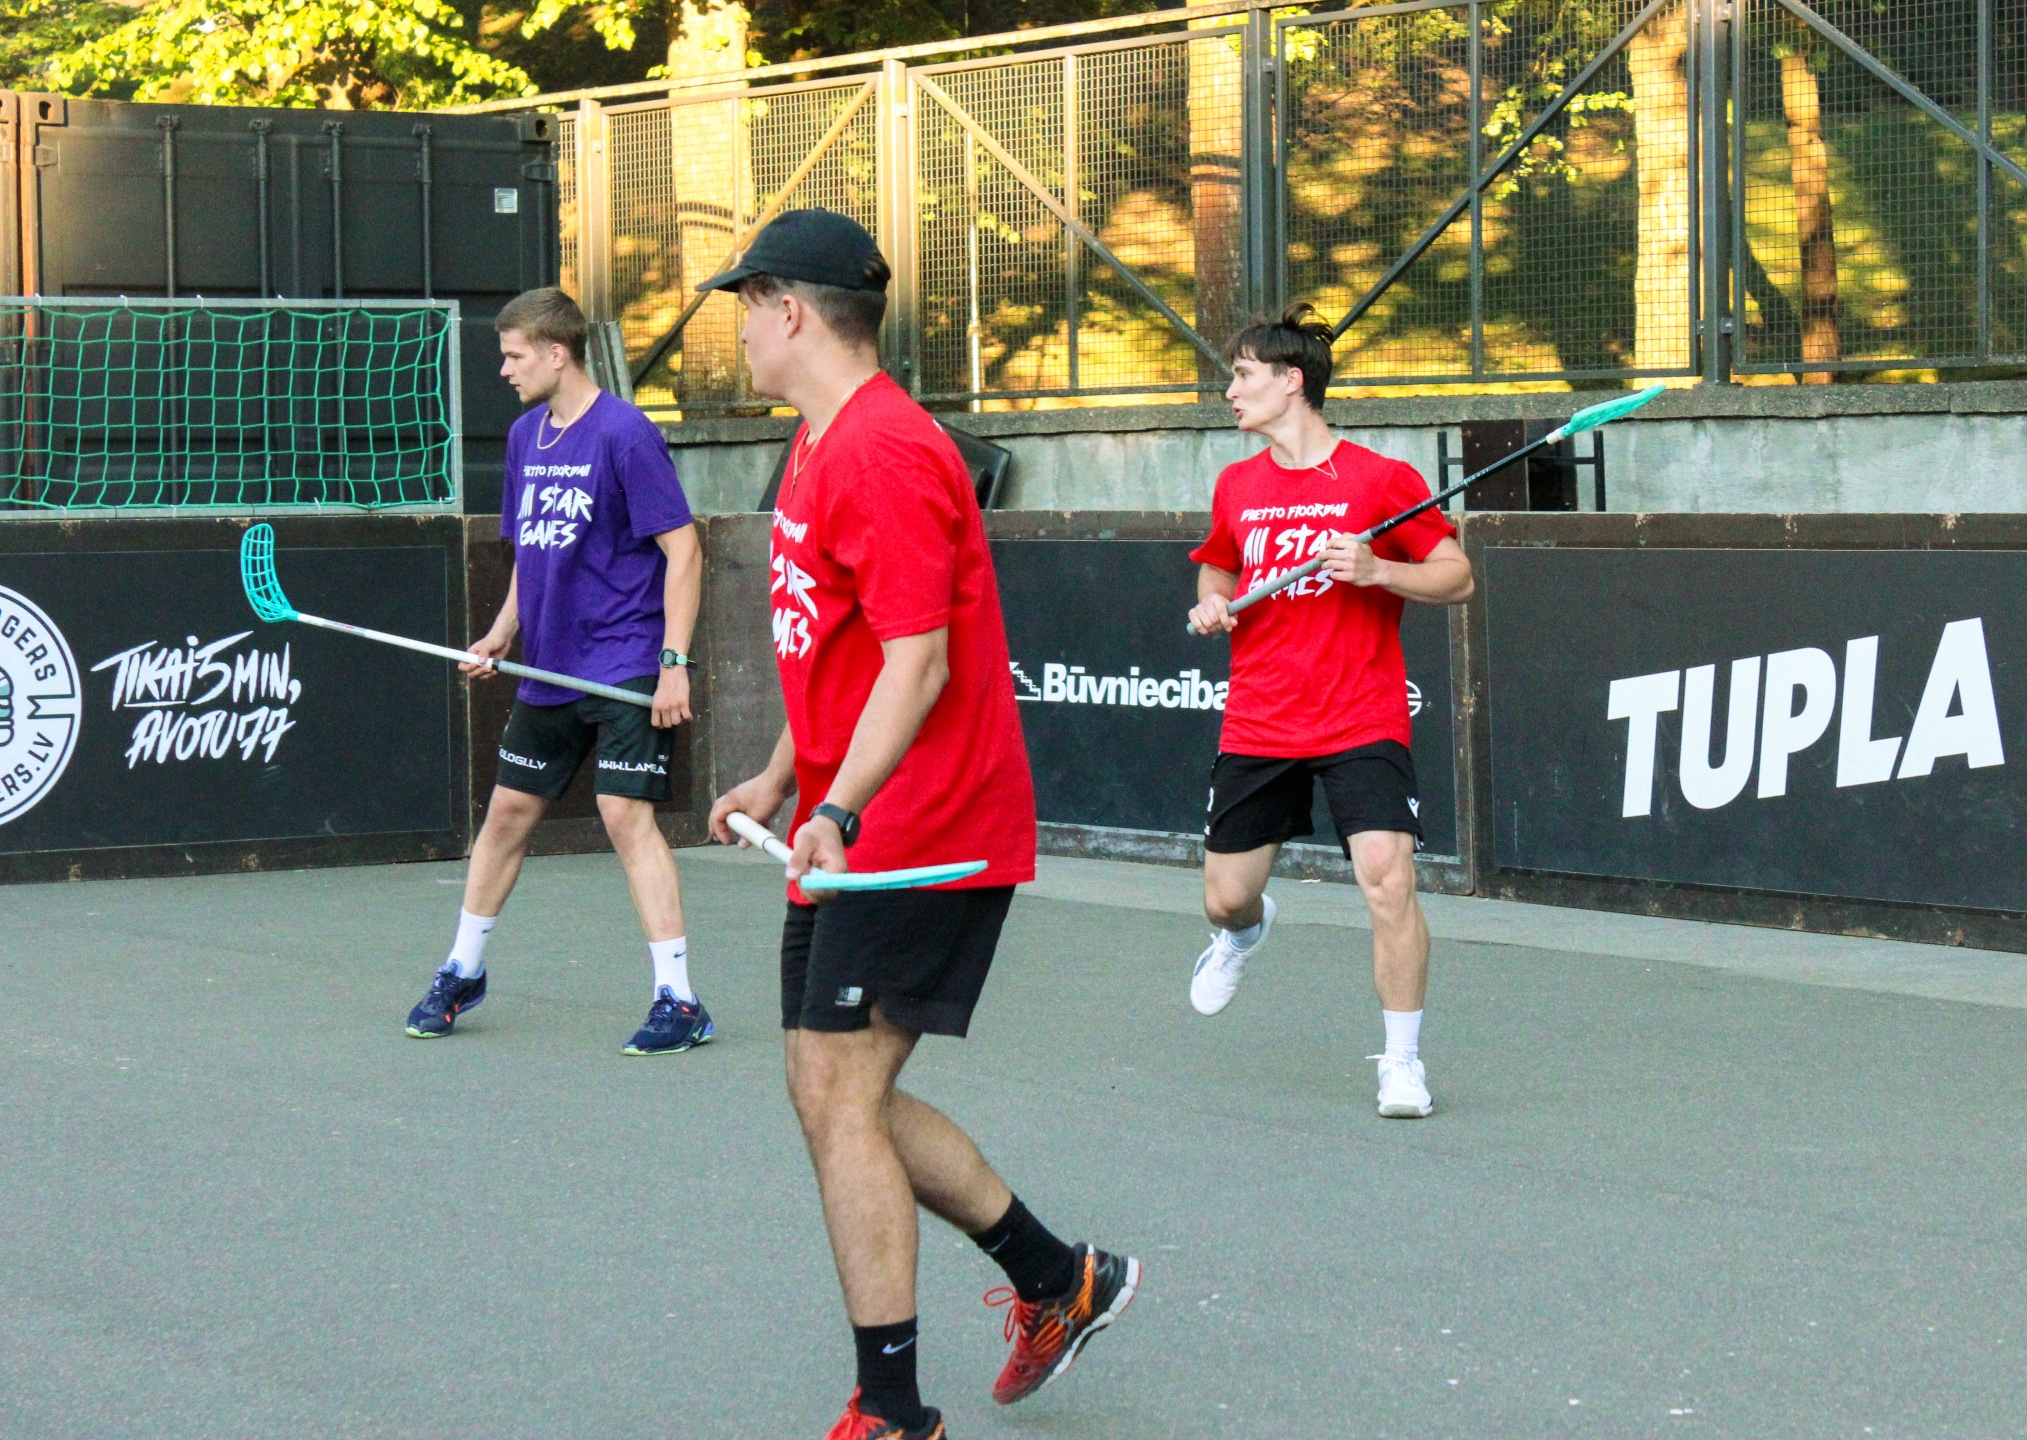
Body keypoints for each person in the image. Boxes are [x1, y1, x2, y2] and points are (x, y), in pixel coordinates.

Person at [703, 209, 1139, 1440]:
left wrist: (839, 805)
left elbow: (919, 664)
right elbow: (837, 649)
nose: (741, 330)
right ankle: (1058, 1279)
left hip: (922, 830)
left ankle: (892, 1412)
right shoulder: (815, 440)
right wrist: (783, 777)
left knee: (842, 1094)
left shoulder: (887, 452)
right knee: (826, 1087)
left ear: (792, 311)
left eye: (748, 305)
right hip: (856, 822)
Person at [403, 286, 712, 1057]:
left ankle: (678, 999)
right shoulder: (523, 438)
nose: (505, 370)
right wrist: (500, 633)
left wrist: (674, 664)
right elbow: (531, 550)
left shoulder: (626, 434)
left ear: (556, 353)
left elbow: (684, 551)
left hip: (626, 659)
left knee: (623, 814)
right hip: (551, 666)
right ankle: (462, 970)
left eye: (514, 356)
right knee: (507, 813)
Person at [1186, 302, 1475, 1119]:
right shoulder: (1237, 486)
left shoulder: (1382, 480)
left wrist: (1380, 571)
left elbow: (1456, 576)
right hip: (1261, 717)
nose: (1231, 391)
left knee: (1388, 881)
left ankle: (1403, 1064)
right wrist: (1215, 602)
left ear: (1291, 381)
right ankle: (1243, 934)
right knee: (1225, 897)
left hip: (1360, 715)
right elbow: (1218, 568)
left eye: (1243, 375)